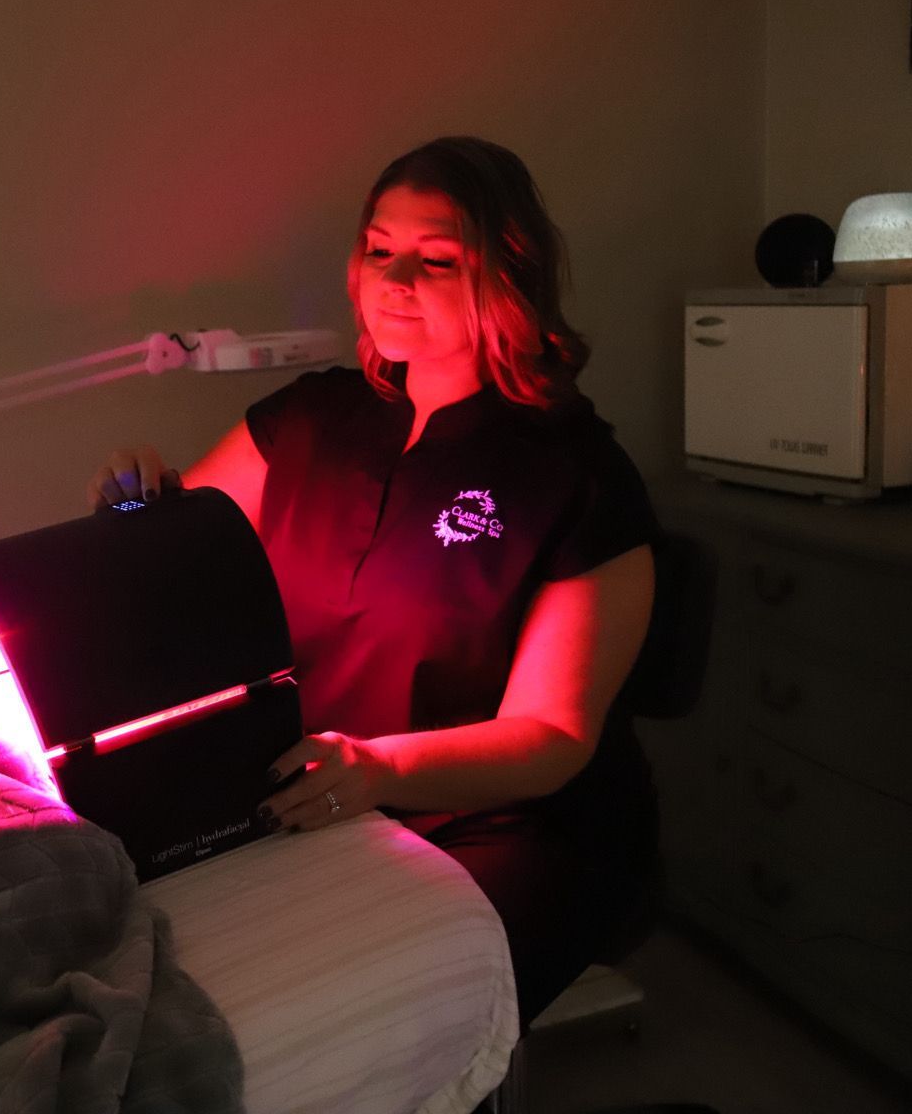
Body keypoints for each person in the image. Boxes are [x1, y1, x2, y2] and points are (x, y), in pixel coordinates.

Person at [87, 136, 659, 1027]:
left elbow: (553, 735)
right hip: (321, 791)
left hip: (505, 821)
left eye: (436, 260)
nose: (396, 279)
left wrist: (380, 768)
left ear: (508, 278)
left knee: (368, 1016)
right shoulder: (312, 419)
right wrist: (132, 508)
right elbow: (177, 558)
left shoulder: (577, 475)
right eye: (378, 249)